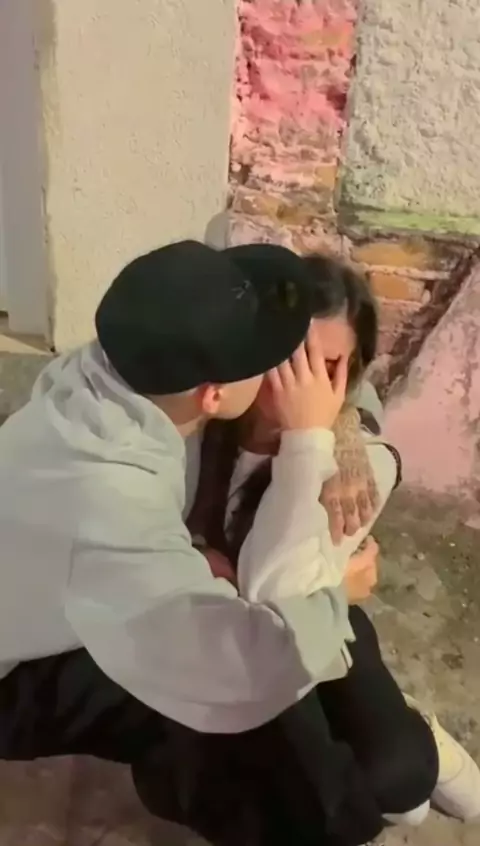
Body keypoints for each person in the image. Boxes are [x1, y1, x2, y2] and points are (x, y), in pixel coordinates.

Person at [0, 239, 362, 844]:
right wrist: (337, 592)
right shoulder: (113, 504)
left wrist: (343, 427)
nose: (293, 378)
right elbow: (242, 666)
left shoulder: (109, 372)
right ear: (213, 394)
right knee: (246, 718)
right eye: (273, 361)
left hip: (40, 592)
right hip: (13, 675)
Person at [181, 254, 480, 844]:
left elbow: (276, 594)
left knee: (403, 786)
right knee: (276, 789)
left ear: (353, 372)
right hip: (240, 637)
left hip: (316, 623)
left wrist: (311, 440)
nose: (301, 386)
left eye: (328, 366)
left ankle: (422, 731)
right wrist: (194, 559)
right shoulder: (207, 416)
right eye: (287, 359)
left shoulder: (359, 467)